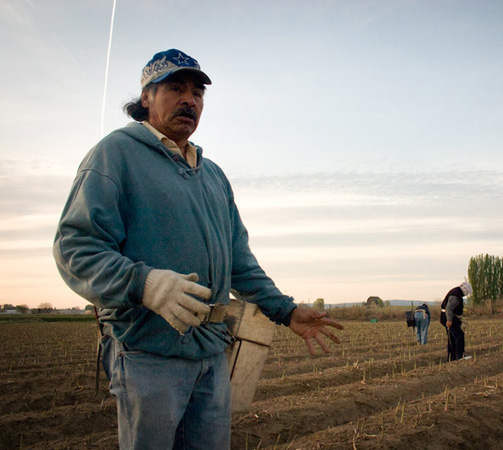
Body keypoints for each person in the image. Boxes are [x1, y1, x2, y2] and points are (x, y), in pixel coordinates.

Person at [53, 49, 344, 450]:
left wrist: (286, 310)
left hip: (211, 356)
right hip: (147, 355)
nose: (189, 100)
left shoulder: (212, 176)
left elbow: (239, 261)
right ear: (146, 98)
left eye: (197, 93)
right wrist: (147, 284)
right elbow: (76, 247)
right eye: (175, 88)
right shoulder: (114, 155)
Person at [441, 281, 472, 361]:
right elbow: (449, 308)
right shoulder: (455, 295)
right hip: (449, 317)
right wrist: (449, 320)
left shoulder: (456, 292)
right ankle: (460, 356)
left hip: (449, 317)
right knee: (459, 335)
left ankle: (452, 358)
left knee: (453, 338)